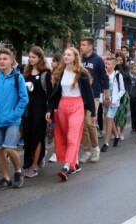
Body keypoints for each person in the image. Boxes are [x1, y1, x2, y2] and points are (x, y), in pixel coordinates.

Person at [46, 47, 96, 181]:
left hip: (77, 106)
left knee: (72, 136)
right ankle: (75, 164)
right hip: (62, 106)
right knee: (65, 136)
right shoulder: (60, 72)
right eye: (65, 54)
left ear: (75, 57)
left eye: (69, 54)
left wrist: (93, 113)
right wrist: (50, 110)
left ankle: (66, 167)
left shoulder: (82, 73)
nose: (66, 56)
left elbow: (90, 95)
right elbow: (55, 94)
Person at [0, 48, 28, 190]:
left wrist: (15, 114)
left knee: (9, 147)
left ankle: (18, 171)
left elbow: (24, 99)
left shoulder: (18, 77)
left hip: (12, 120)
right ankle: (6, 177)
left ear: (12, 61)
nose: (1, 61)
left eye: (5, 59)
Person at [22, 46, 52, 178]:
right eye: (30, 57)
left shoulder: (45, 73)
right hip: (28, 109)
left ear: (40, 58)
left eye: (34, 57)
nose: (31, 59)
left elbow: (50, 94)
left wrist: (50, 111)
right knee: (27, 136)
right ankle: (37, 157)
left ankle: (34, 166)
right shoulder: (26, 73)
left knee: (37, 136)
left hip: (40, 110)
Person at [79, 37, 109, 164]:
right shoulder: (79, 60)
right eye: (80, 45)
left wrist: (107, 96)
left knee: (90, 122)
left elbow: (105, 78)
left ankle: (95, 148)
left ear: (90, 46)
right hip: (80, 95)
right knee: (82, 125)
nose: (81, 47)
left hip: (94, 95)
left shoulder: (97, 60)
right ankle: (86, 150)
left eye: (84, 45)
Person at [100, 57, 125, 152]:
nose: (106, 65)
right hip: (105, 101)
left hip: (114, 102)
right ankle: (116, 136)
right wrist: (102, 98)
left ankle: (106, 143)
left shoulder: (118, 75)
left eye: (109, 64)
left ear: (114, 65)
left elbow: (122, 90)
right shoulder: (103, 75)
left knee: (109, 120)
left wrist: (115, 99)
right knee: (110, 120)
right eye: (106, 64)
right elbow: (101, 88)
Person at [48, 54, 62, 163]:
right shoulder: (51, 73)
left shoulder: (62, 75)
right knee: (52, 129)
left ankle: (56, 152)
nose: (52, 62)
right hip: (51, 106)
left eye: (54, 61)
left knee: (57, 130)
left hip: (59, 106)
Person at [115, 52, 131, 139]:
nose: (119, 61)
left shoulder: (126, 67)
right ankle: (116, 131)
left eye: (121, 60)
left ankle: (121, 132)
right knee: (115, 113)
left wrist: (119, 67)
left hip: (124, 92)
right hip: (115, 92)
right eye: (117, 60)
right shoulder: (113, 68)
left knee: (122, 112)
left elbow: (125, 76)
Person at [128, 63, 136, 134]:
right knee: (132, 113)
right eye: (134, 69)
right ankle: (133, 127)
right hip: (132, 98)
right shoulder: (130, 78)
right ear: (131, 70)